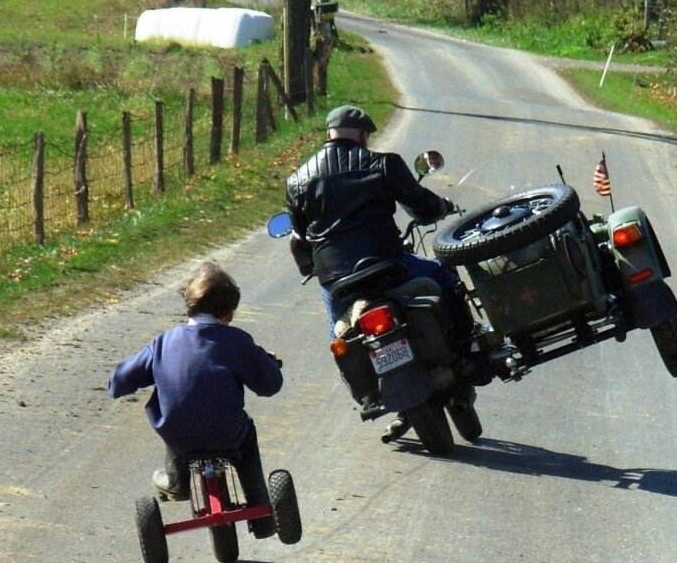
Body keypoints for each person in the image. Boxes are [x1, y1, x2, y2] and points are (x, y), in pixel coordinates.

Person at [108, 262, 283, 537]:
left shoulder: (163, 343)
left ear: (189, 305)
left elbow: (120, 381)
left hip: (178, 435)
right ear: (228, 311)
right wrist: (270, 366)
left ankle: (177, 481)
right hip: (227, 433)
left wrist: (115, 384)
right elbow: (270, 385)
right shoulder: (236, 341)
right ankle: (261, 511)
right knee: (246, 436)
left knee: (177, 417)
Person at [284, 104, 465, 332]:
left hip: (338, 281)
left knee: (342, 334)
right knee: (441, 272)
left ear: (328, 134)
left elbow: (300, 237)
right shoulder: (383, 164)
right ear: (362, 135)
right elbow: (422, 206)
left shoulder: (296, 182)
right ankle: (469, 347)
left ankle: (348, 365)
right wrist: (442, 207)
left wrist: (313, 266)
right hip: (389, 267)